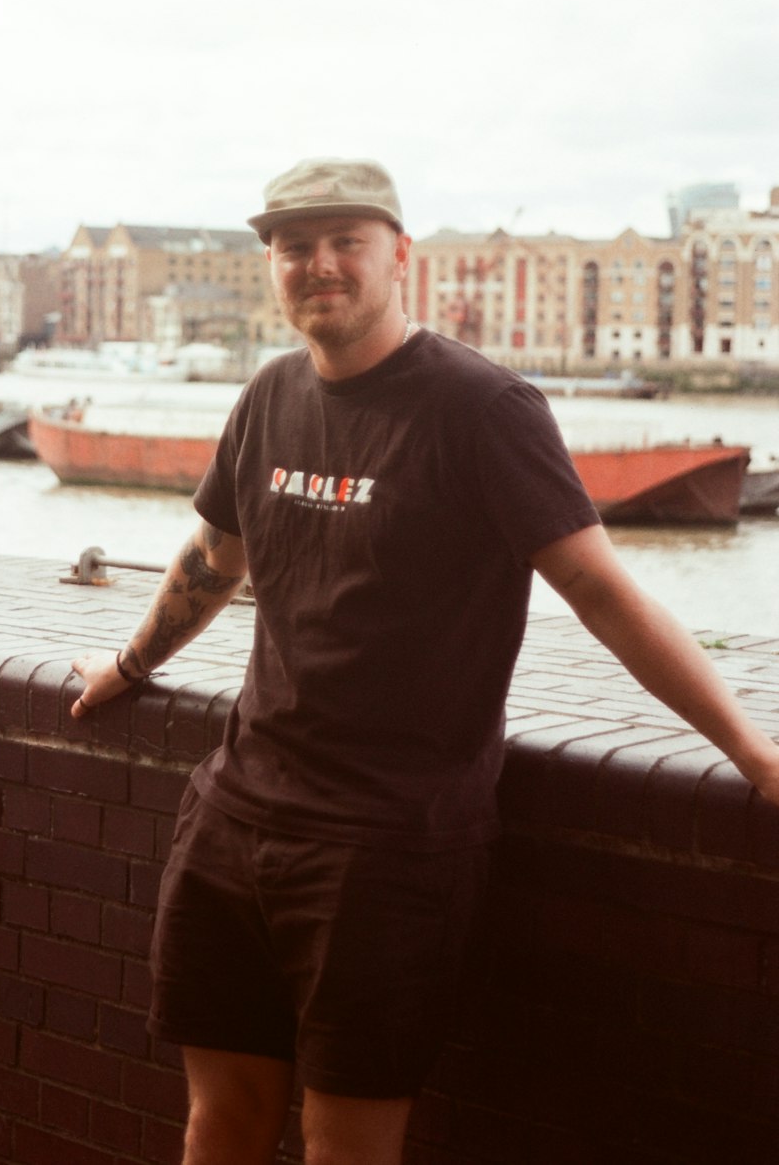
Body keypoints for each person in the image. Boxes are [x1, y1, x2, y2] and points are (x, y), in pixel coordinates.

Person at [70, 159, 779, 1165]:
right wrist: (130, 666)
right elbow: (211, 559)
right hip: (235, 817)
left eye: (343, 241)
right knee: (217, 1122)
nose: (318, 264)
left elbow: (602, 592)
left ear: (399, 255)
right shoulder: (269, 394)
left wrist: (754, 755)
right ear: (270, 263)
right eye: (292, 245)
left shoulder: (483, 408)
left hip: (387, 849)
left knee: (344, 1143)